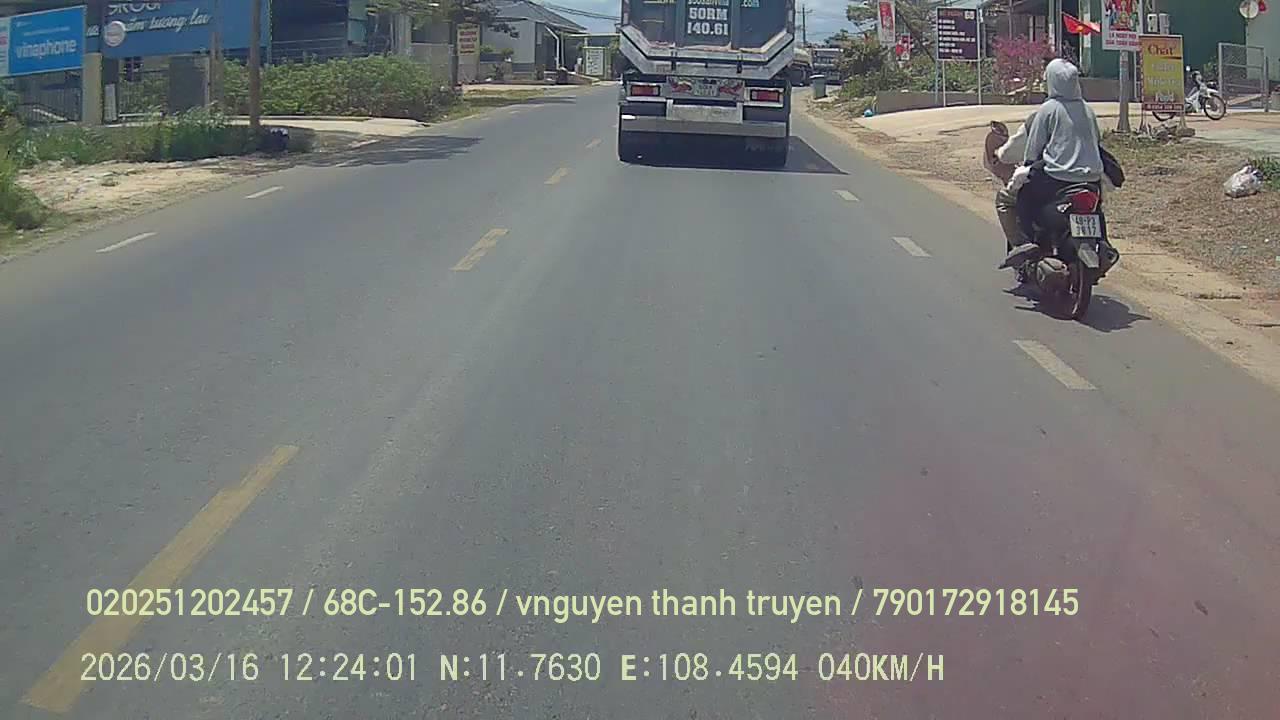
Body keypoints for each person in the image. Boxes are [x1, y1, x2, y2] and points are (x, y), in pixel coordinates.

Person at [1003, 58, 1104, 265]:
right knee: (1098, 208)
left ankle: (1026, 242)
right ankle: (1103, 243)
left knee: (1019, 197)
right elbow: (1097, 140)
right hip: (1092, 180)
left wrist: (1027, 166)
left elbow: (1033, 150)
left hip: (1057, 180)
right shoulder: (1088, 110)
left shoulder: (1048, 109)